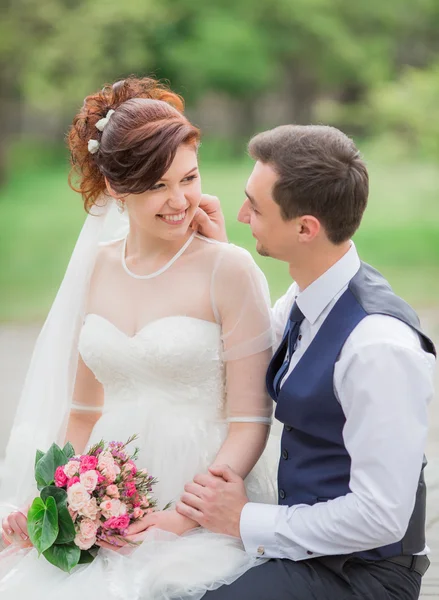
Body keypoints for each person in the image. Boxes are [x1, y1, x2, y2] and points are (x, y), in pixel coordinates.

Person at [0, 77, 278, 600]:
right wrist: (57, 505)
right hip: (105, 494)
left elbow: (250, 423)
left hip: (199, 485)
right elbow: (82, 414)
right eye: (156, 186)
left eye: (189, 178)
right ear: (114, 188)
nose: (179, 201)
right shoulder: (97, 268)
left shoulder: (227, 269)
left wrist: (181, 518)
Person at [177, 125, 437, 599]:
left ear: (305, 228)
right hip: (307, 551)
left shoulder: (377, 347)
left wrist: (243, 519)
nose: (240, 215)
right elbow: (254, 343)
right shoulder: (310, 294)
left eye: (254, 207)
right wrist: (218, 256)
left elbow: (381, 516)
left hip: (363, 576)